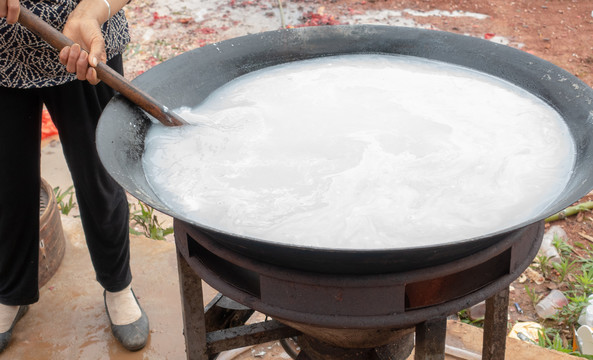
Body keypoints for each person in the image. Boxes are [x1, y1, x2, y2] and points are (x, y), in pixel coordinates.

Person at [0, 0, 149, 353]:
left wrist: (94, 10)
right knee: (7, 182)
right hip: (3, 55)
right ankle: (10, 291)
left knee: (100, 176)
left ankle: (117, 285)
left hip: (84, 44)